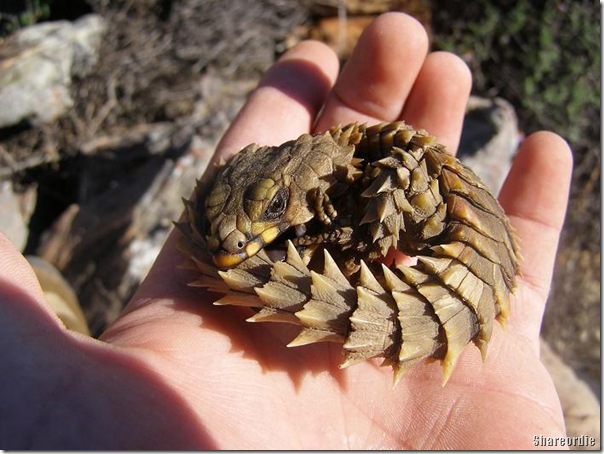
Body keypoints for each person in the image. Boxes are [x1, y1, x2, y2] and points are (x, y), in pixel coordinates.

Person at [0, 13, 572, 449]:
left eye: (274, 211)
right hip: (456, 274)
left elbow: (392, 190)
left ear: (309, 189)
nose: (238, 247)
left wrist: (352, 244)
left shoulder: (365, 169)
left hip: (468, 271)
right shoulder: (321, 173)